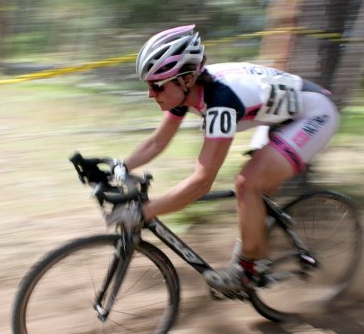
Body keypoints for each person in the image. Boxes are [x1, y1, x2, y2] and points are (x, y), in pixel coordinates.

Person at [106, 24, 339, 292]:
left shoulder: (221, 101)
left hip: (315, 114)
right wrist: (119, 167)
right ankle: (259, 248)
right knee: (255, 187)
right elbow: (158, 141)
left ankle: (247, 269)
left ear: (186, 79)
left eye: (157, 86)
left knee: (247, 183)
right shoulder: (185, 92)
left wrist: (145, 211)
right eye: (149, 85)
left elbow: (202, 181)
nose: (150, 93)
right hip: (278, 117)